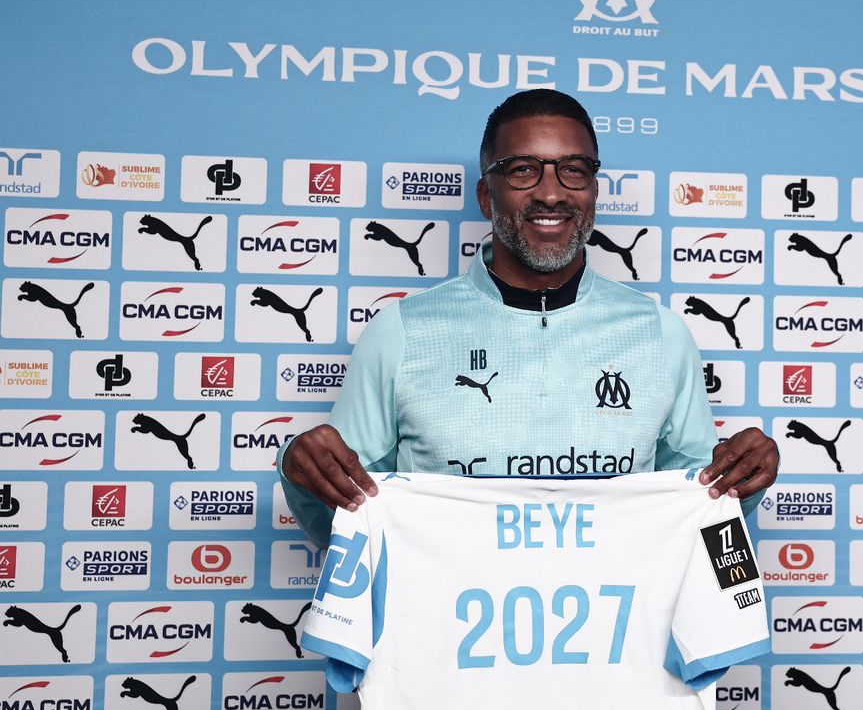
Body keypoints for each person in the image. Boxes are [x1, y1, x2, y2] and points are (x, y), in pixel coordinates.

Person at [279, 89, 779, 546]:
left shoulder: (659, 332)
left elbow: (700, 509)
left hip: (621, 618)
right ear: (485, 195)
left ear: (594, 191)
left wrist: (744, 477)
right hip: (439, 618)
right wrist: (302, 475)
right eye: (522, 170)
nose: (551, 193)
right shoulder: (401, 332)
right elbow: (344, 523)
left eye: (574, 170)